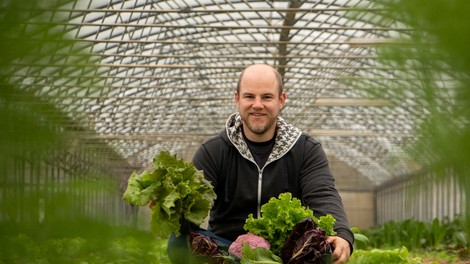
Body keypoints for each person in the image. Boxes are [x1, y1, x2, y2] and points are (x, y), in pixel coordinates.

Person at [167, 64, 353, 264]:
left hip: (286, 254)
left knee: (326, 249)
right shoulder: (214, 150)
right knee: (178, 241)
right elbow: (192, 210)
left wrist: (341, 234)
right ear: (237, 99)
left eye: (266, 97)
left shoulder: (305, 150)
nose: (257, 105)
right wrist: (170, 207)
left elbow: (322, 193)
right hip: (225, 251)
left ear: (281, 100)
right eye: (249, 97)